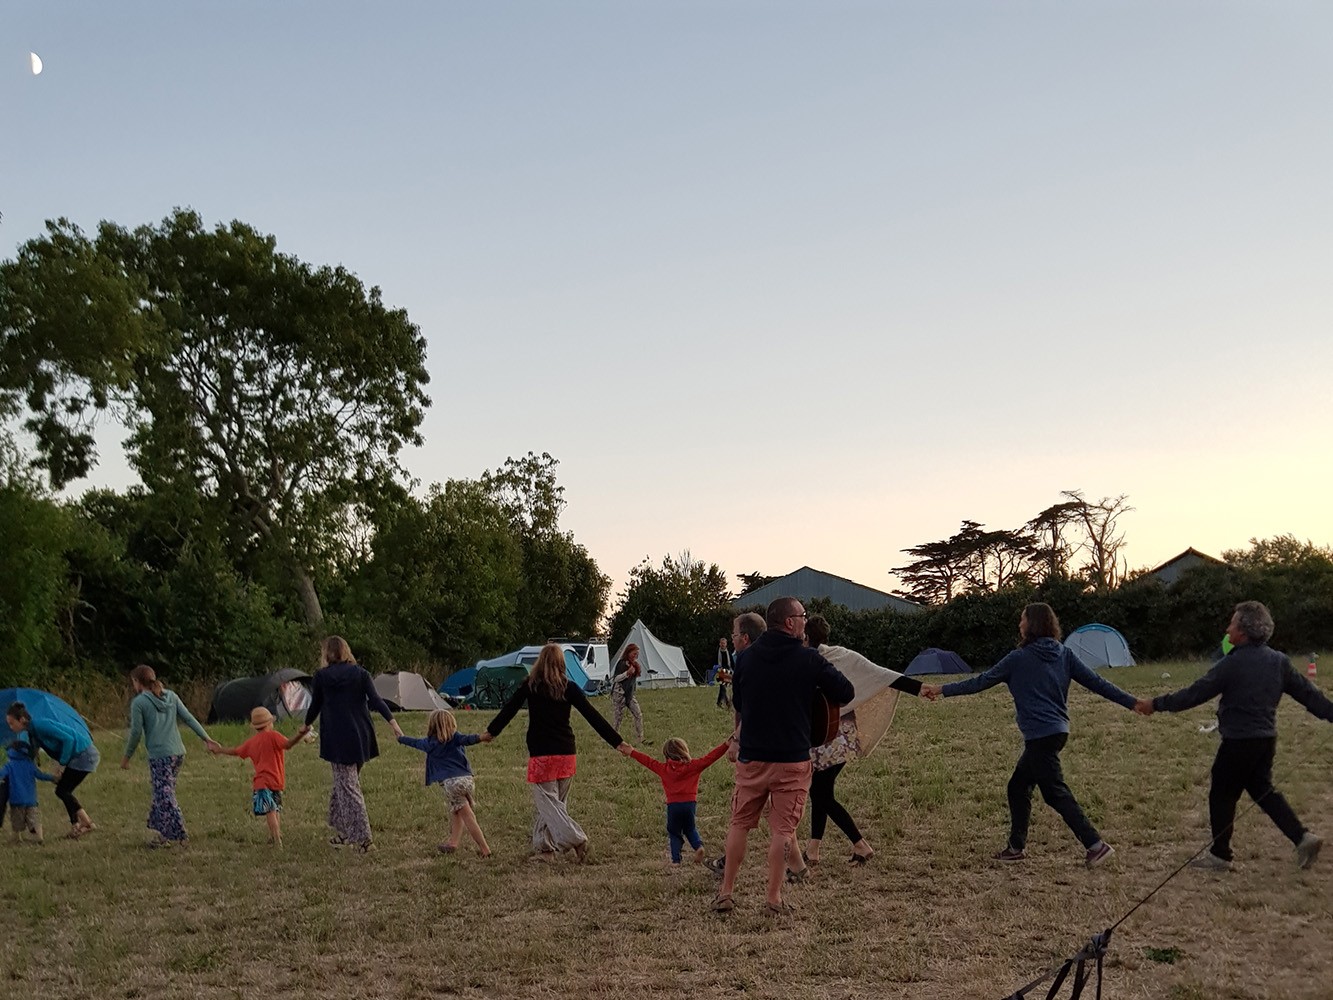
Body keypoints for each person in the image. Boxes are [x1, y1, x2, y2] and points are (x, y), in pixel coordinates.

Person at [921, 603, 1137, 868]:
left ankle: (1095, 844)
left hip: (1040, 737)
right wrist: (1132, 702)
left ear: (1031, 624)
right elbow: (1098, 683)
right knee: (1018, 786)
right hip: (1057, 733)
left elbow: (980, 682)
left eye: (1022, 620)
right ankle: (1016, 847)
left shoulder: (1018, 658)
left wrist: (941, 689)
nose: (1019, 624)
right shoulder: (1064, 654)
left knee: (1054, 792)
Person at [1136, 601, 1330, 871]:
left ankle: (1220, 855)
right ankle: (1302, 837)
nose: (1227, 629)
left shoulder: (1232, 663)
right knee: (1262, 790)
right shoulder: (1279, 662)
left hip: (1238, 741)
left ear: (1244, 630)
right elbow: (1309, 695)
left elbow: (1195, 693)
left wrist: (1156, 704)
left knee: (1222, 794)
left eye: (1232, 623)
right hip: (1266, 740)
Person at [713, 597, 854, 915]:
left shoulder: (746, 659)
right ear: (790, 622)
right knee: (782, 830)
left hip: (752, 757)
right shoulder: (808, 659)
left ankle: (726, 893)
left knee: (739, 823)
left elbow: (739, 705)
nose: (805, 621)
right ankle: (773, 899)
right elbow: (845, 692)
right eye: (802, 616)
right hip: (792, 758)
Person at [799, 614, 925, 865]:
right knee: (821, 790)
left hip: (834, 736)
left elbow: (879, 676)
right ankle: (813, 850)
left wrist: (919, 688)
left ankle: (860, 845)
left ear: (806, 637)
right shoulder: (841, 655)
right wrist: (918, 688)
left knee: (821, 793)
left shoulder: (821, 659)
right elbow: (879, 673)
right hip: (835, 735)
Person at [486, 643, 629, 862]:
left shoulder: (531, 686)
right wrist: (616, 741)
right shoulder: (569, 688)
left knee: (550, 805)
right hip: (566, 754)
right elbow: (593, 715)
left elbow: (509, 709)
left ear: (539, 663)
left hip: (543, 754)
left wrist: (491, 732)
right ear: (562, 664)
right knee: (554, 806)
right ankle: (545, 849)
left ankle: (577, 839)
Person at [304, 635, 403, 852]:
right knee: (345, 781)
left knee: (348, 785)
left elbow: (315, 705)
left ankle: (364, 839)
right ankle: (343, 830)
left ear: (327, 653)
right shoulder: (361, 674)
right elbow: (376, 700)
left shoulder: (321, 677)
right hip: (361, 735)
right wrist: (392, 722)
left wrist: (306, 725)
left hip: (337, 738)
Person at [120, 665, 220, 847]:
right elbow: (188, 718)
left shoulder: (139, 703)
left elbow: (135, 733)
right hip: (177, 753)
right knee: (161, 794)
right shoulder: (171, 696)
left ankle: (180, 835)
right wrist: (206, 738)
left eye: (133, 682)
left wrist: (126, 757)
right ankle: (163, 836)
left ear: (137, 682)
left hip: (160, 756)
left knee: (164, 795)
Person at [620, 735, 730, 866]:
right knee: (690, 828)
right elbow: (711, 757)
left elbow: (647, 761)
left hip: (673, 805)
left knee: (674, 832)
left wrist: (632, 751)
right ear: (684, 751)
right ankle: (698, 846)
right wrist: (726, 744)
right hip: (690, 804)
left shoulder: (663, 768)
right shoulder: (694, 766)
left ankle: (676, 860)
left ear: (666, 754)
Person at [397, 708, 491, 858]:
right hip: (467, 780)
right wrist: (482, 737)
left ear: (432, 726)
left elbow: (414, 742)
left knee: (468, 816)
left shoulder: (430, 743)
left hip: (452, 784)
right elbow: (469, 739)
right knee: (456, 810)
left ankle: (485, 849)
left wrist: (401, 738)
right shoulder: (456, 738)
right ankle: (453, 843)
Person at [211, 707, 310, 847]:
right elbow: (288, 745)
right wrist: (300, 734)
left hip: (262, 783)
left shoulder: (252, 742)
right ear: (270, 723)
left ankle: (275, 837)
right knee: (274, 810)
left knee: (271, 810)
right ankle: (277, 838)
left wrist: (219, 750)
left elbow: (236, 751)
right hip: (276, 781)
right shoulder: (274, 736)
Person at [5, 701, 100, 838]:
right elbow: (32, 754)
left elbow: (68, 740)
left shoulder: (40, 725)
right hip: (75, 757)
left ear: (22, 720)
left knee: (62, 790)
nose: (10, 727)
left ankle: (86, 823)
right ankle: (78, 825)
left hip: (84, 754)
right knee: (63, 790)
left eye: (12, 723)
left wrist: (61, 764)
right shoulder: (32, 733)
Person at [1, 741, 55, 844]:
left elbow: (1, 774)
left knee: (17, 821)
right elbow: (40, 775)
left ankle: (17, 838)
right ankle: (38, 836)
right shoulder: (30, 764)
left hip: (16, 799)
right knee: (33, 818)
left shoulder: (10, 765)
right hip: (31, 799)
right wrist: (52, 778)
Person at [610, 644, 645, 744]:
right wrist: (627, 674)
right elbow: (616, 679)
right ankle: (614, 738)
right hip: (619, 694)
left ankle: (640, 738)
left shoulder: (635, 665)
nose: (635, 656)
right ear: (628, 653)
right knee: (618, 718)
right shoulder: (621, 664)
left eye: (637, 654)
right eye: (634, 653)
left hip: (629, 694)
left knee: (638, 714)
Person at [715, 639, 733, 710]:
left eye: (724, 643)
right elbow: (714, 662)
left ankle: (719, 702)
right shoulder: (717, 653)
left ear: (726, 644)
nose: (723, 645)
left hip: (727, 671)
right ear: (719, 644)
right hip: (720, 671)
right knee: (723, 687)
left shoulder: (728, 653)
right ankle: (727, 702)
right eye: (721, 643)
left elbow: (731, 663)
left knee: (723, 688)